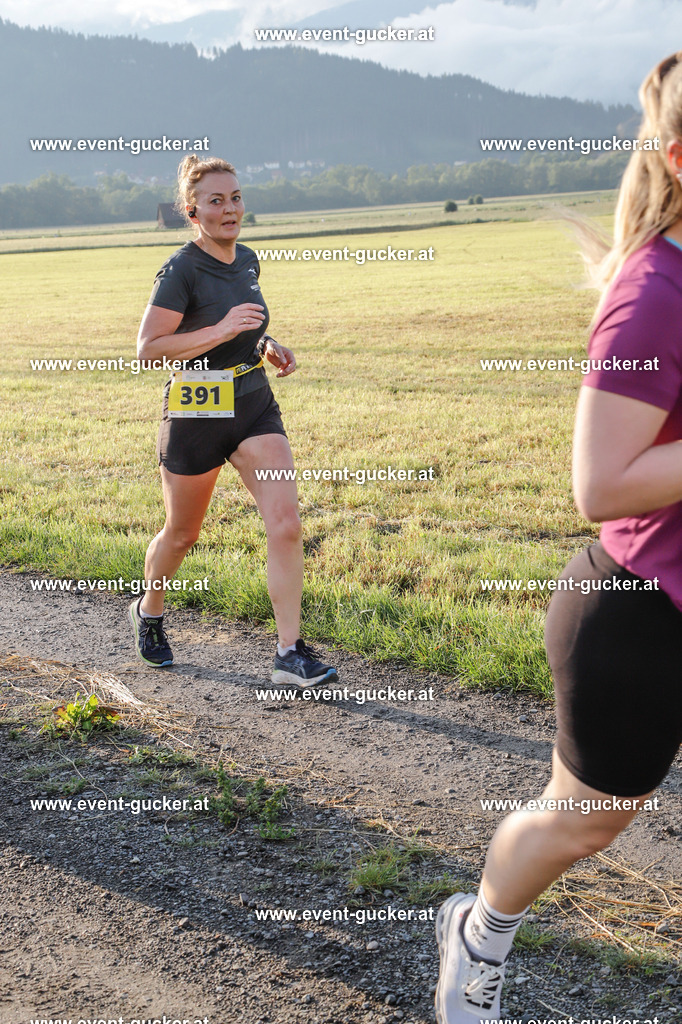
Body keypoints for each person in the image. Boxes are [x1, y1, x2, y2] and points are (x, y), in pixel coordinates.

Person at [435, 52, 682, 1023]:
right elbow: (601, 481)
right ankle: (477, 932)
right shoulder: (654, 293)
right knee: (581, 824)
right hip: (638, 617)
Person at [129, 154, 337, 689]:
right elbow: (149, 349)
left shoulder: (246, 259)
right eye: (216, 201)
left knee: (286, 523)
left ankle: (289, 652)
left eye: (236, 197)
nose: (230, 209)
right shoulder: (180, 270)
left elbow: (244, 325)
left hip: (251, 404)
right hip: (197, 410)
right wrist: (220, 331)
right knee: (182, 532)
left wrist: (267, 344)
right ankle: (149, 611)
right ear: (192, 212)